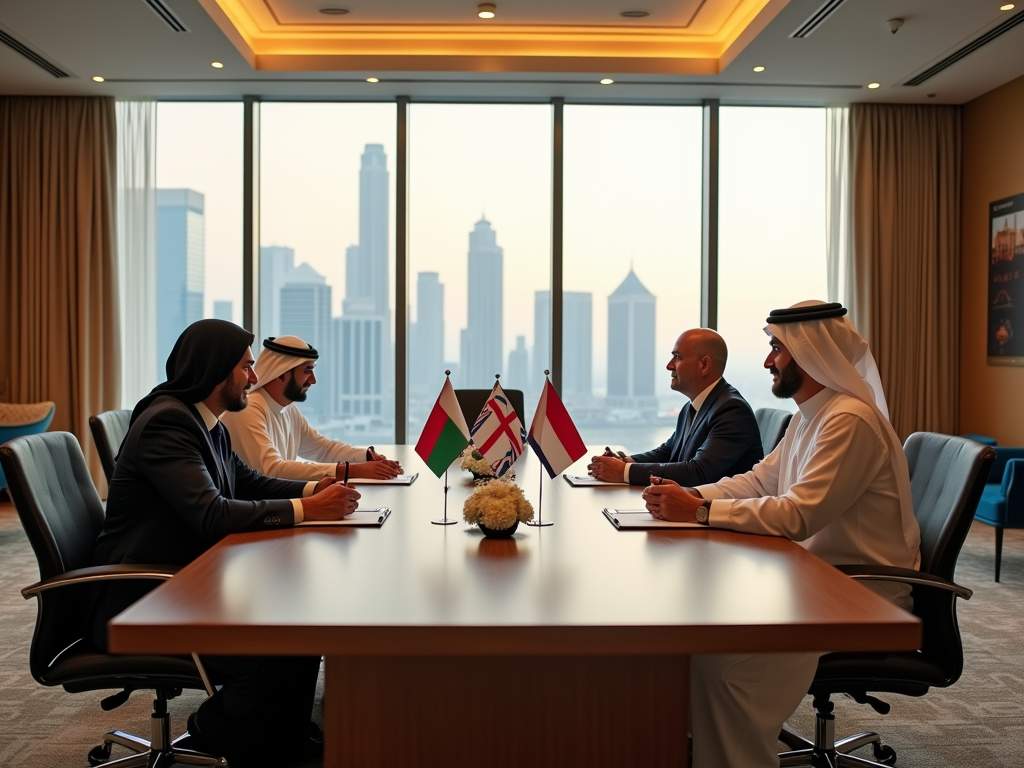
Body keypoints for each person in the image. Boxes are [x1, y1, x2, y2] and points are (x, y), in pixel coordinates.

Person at [641, 301, 921, 768]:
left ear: (809, 352)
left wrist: (702, 511)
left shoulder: (848, 421)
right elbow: (757, 481)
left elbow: (797, 516)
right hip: (809, 577)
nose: (769, 361)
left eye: (777, 349)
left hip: (856, 592)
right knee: (695, 638)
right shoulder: (810, 416)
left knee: (724, 665)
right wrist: (687, 496)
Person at [89, 319, 361, 767]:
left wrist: (317, 493)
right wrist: (308, 511)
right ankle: (213, 730)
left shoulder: (206, 421)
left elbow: (247, 480)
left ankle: (288, 737)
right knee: (276, 642)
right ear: (216, 369)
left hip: (187, 578)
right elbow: (212, 514)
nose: (254, 379)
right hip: (142, 597)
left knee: (303, 621)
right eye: (246, 367)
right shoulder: (168, 424)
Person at [587, 328, 762, 486]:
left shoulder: (732, 410)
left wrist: (622, 472)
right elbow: (668, 452)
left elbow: (698, 472)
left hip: (714, 518)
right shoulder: (693, 406)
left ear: (704, 365)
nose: (669, 365)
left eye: (677, 357)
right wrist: (625, 461)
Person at [222, 335, 403, 482]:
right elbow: (272, 470)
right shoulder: (248, 409)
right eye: (307, 371)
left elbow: (323, 449)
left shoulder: (288, 409)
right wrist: (354, 470)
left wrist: (367, 456)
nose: (313, 380)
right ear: (281, 374)